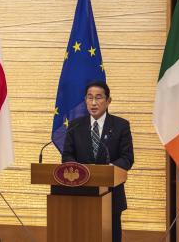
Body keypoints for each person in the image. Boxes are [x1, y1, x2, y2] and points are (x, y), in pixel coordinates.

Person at [62, 80, 134, 242]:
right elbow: (67, 156)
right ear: (85, 100)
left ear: (108, 101)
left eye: (99, 98)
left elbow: (127, 158)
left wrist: (107, 171)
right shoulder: (75, 126)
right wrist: (80, 172)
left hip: (111, 195)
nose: (93, 103)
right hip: (80, 195)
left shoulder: (121, 125)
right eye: (90, 98)